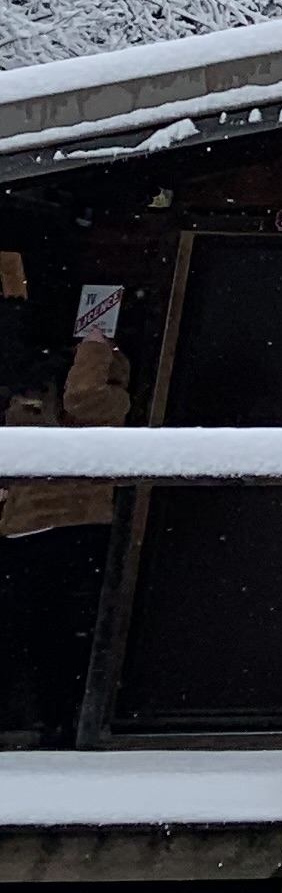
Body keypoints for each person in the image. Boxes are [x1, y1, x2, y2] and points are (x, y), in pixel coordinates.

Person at [0, 300, 131, 749]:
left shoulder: (109, 387)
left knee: (59, 634)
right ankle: (36, 717)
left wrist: (94, 352)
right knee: (24, 630)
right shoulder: (25, 391)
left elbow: (87, 404)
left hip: (76, 525)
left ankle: (60, 723)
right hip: (20, 528)